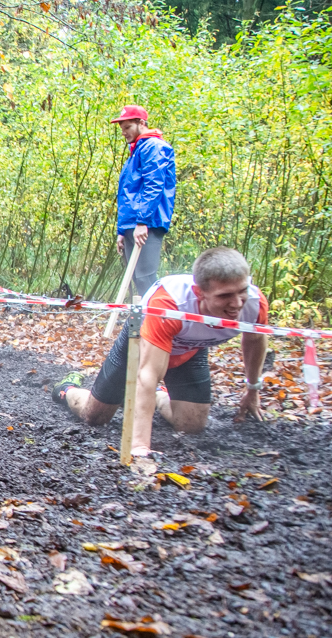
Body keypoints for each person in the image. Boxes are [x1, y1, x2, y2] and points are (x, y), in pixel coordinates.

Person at [52, 247, 268, 458]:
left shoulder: (255, 304)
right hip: (142, 343)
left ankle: (153, 398)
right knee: (95, 417)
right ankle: (67, 388)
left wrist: (253, 389)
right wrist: (139, 447)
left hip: (190, 348)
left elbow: (255, 340)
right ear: (199, 293)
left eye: (242, 291)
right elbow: (147, 375)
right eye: (225, 296)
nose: (237, 303)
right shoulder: (168, 304)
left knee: (191, 425)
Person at [110, 105, 176, 296]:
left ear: (141, 123)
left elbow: (153, 185)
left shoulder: (154, 147)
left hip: (148, 223)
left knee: (146, 279)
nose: (124, 133)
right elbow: (128, 193)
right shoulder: (137, 150)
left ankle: (159, 323)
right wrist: (122, 231)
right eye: (122, 129)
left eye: (128, 127)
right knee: (136, 280)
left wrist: (142, 222)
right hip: (133, 223)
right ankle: (138, 325)